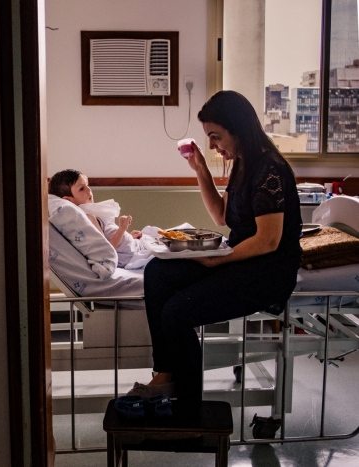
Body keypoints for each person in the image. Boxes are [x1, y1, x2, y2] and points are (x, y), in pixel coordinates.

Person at [127, 91, 302, 405]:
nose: (212, 145)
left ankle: (189, 404)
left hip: (265, 274)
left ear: (238, 129)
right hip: (239, 262)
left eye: (215, 136)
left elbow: (269, 241)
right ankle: (166, 373)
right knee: (157, 272)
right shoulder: (244, 164)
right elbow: (222, 216)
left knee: (176, 313)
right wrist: (201, 171)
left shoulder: (269, 171)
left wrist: (218, 261)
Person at [48, 169, 146, 268]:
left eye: (87, 185)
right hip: (130, 256)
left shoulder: (90, 214)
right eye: (82, 188)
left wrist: (128, 237)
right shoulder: (88, 217)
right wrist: (122, 228)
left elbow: (107, 237)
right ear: (68, 200)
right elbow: (108, 250)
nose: (88, 189)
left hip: (132, 248)